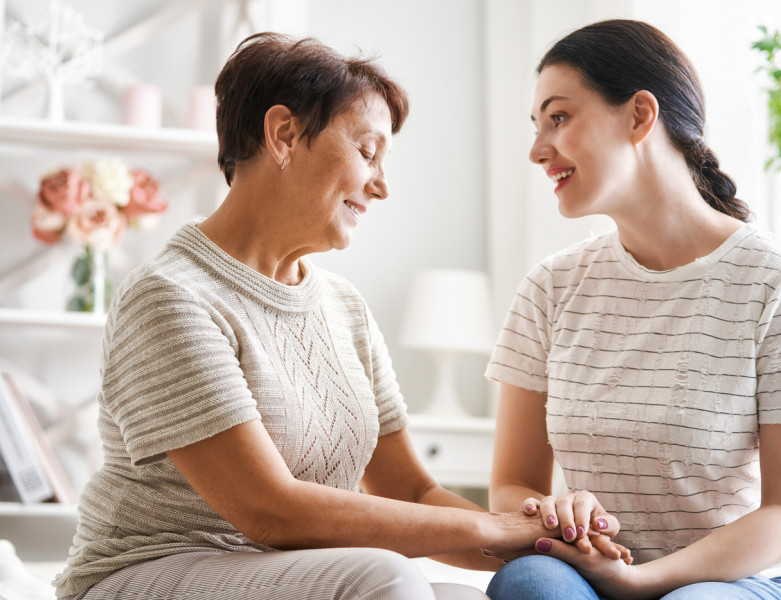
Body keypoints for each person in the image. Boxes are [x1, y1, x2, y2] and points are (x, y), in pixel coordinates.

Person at [53, 32, 560, 600]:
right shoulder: (169, 296)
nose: (382, 185)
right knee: (386, 579)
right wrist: (493, 525)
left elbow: (413, 496)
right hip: (147, 573)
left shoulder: (343, 307)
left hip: (296, 579)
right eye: (368, 152)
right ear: (284, 135)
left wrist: (546, 542)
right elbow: (270, 511)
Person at [484, 19, 781, 600]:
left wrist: (643, 581)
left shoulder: (780, 283)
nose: (536, 150)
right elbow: (510, 484)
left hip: (740, 582)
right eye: (536, 125)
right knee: (530, 583)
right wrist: (555, 514)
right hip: (588, 573)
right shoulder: (550, 287)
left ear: (639, 115)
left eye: (559, 117)